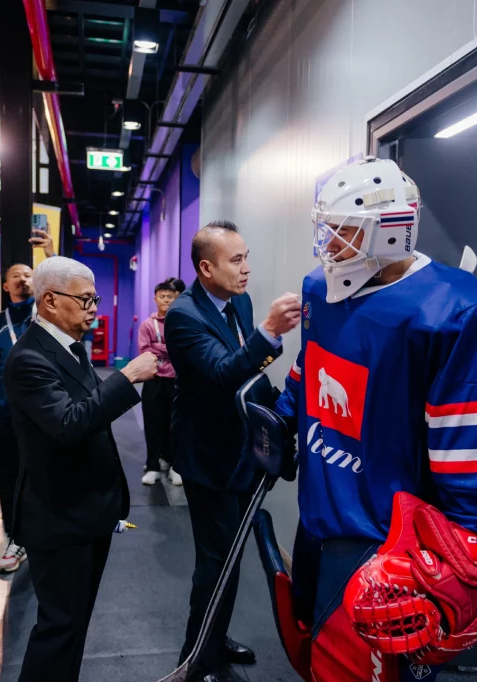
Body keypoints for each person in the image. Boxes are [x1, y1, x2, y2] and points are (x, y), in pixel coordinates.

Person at [268, 157, 477, 681]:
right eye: (328, 227)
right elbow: (311, 365)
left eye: (345, 229)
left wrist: (464, 559)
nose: (330, 243)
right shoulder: (319, 288)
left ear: (390, 231)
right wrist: (282, 418)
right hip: (320, 521)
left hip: (391, 552)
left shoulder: (460, 310)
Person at [4, 256, 158, 682]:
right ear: (50, 301)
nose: (93, 309)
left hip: (86, 510)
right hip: (59, 514)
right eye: (85, 300)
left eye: (95, 300)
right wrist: (126, 377)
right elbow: (70, 424)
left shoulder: (68, 344)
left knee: (73, 625)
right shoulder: (29, 358)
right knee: (60, 627)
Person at [165, 220, 301, 682]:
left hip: (240, 448)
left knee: (231, 555)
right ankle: (195, 659)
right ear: (206, 268)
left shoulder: (238, 301)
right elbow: (223, 372)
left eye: (247, 258)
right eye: (236, 260)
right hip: (208, 455)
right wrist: (269, 332)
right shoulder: (183, 316)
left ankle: (215, 637)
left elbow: (250, 368)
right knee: (215, 563)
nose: (246, 269)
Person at [0, 263, 34, 573]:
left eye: (28, 275)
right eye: (16, 276)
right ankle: (16, 538)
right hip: (5, 414)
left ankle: (44, 534)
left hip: (43, 413)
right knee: (9, 477)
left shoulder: (45, 316)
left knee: (43, 474)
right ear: (5, 286)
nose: (23, 280)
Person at [138, 277, 185, 487]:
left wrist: (159, 347)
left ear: (175, 298)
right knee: (153, 424)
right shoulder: (147, 324)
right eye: (162, 296)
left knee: (175, 425)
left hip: (176, 381)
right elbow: (145, 351)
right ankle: (152, 466)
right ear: (155, 299)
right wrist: (168, 349)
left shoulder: (180, 322)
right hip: (154, 380)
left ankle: (175, 466)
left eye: (169, 296)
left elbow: (181, 348)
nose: (166, 300)